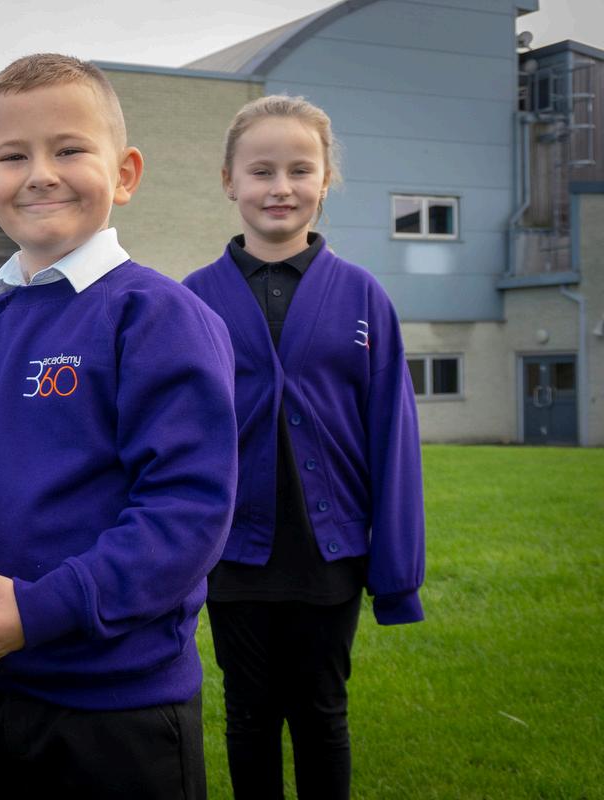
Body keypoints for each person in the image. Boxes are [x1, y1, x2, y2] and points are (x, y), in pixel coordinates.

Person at [0, 53, 238, 799]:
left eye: (68, 150)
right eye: (13, 157)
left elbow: (186, 513)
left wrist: (40, 610)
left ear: (124, 174)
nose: (40, 175)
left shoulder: (156, 316)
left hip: (121, 702)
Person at [182, 95, 426, 800]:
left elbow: (393, 434)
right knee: (248, 714)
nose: (280, 187)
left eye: (299, 170)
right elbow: (171, 438)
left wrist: (397, 571)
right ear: (229, 180)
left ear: (326, 180)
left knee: (322, 714)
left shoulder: (363, 297)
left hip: (329, 555)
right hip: (232, 555)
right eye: (261, 171)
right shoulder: (190, 301)